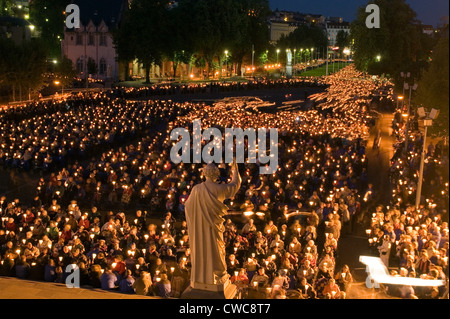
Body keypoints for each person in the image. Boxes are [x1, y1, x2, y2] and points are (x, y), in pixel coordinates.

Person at [184, 161, 241, 288]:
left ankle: (203, 278)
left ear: (204, 174)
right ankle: (217, 275)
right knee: (216, 249)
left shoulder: (196, 189)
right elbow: (235, 185)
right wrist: (235, 171)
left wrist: (198, 216)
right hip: (214, 227)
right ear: (217, 175)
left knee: (203, 248)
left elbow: (187, 206)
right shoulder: (220, 189)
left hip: (201, 228)